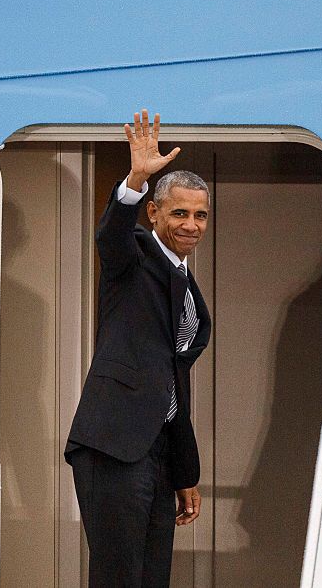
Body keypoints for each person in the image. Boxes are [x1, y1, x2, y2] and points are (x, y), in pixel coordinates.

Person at [65, 109, 212, 587]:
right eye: (179, 212)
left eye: (200, 214)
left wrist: (184, 469)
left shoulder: (188, 285)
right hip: (112, 446)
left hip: (158, 454)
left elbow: (174, 383)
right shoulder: (133, 256)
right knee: (118, 578)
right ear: (154, 212)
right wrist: (134, 181)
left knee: (152, 580)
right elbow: (110, 236)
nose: (191, 224)